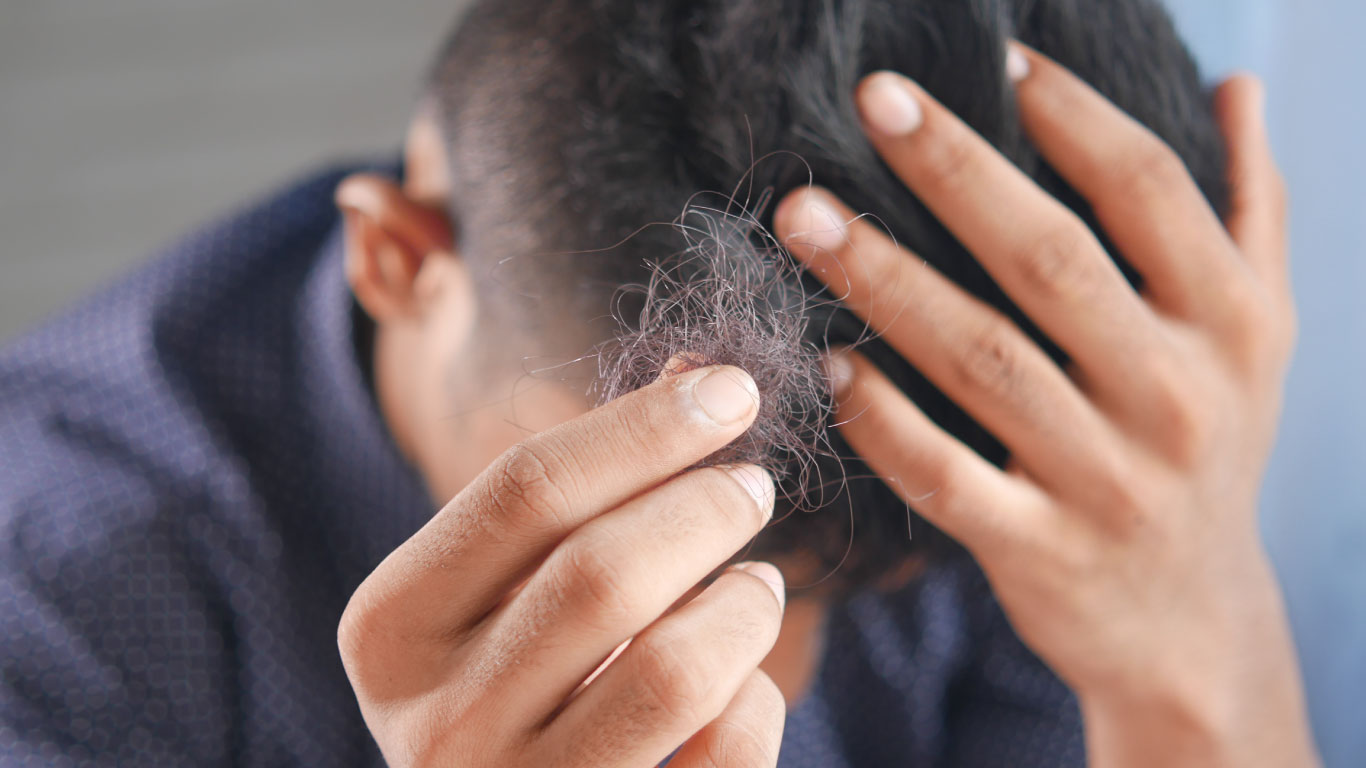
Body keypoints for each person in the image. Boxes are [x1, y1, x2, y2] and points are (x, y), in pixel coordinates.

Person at [0, 0, 1319, 766]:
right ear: (398, 258)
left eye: (856, 587)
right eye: (632, 516)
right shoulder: (51, 615)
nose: (763, 696)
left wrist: (1199, 659)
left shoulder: (1021, 453)